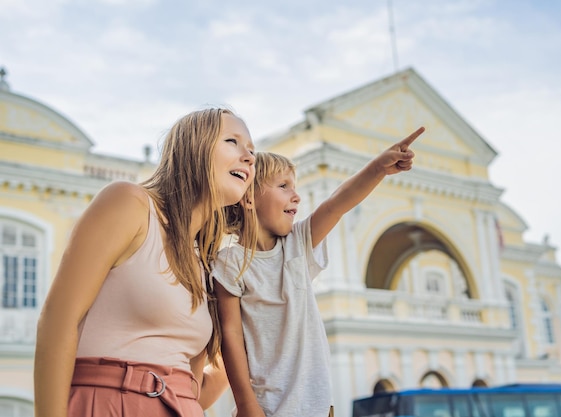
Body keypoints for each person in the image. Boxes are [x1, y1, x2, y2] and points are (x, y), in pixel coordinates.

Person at [34, 107, 258, 417]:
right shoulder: (130, 204)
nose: (249, 157)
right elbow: (58, 320)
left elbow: (195, 393)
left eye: (252, 150)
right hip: (105, 404)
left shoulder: (205, 266)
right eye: (232, 141)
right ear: (193, 147)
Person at [212, 126, 426, 417]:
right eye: (284, 186)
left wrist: (378, 168)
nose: (296, 196)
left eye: (295, 187)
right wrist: (247, 403)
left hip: (319, 407)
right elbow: (231, 335)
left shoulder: (297, 246)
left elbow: (337, 203)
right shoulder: (230, 263)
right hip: (266, 408)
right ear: (249, 198)